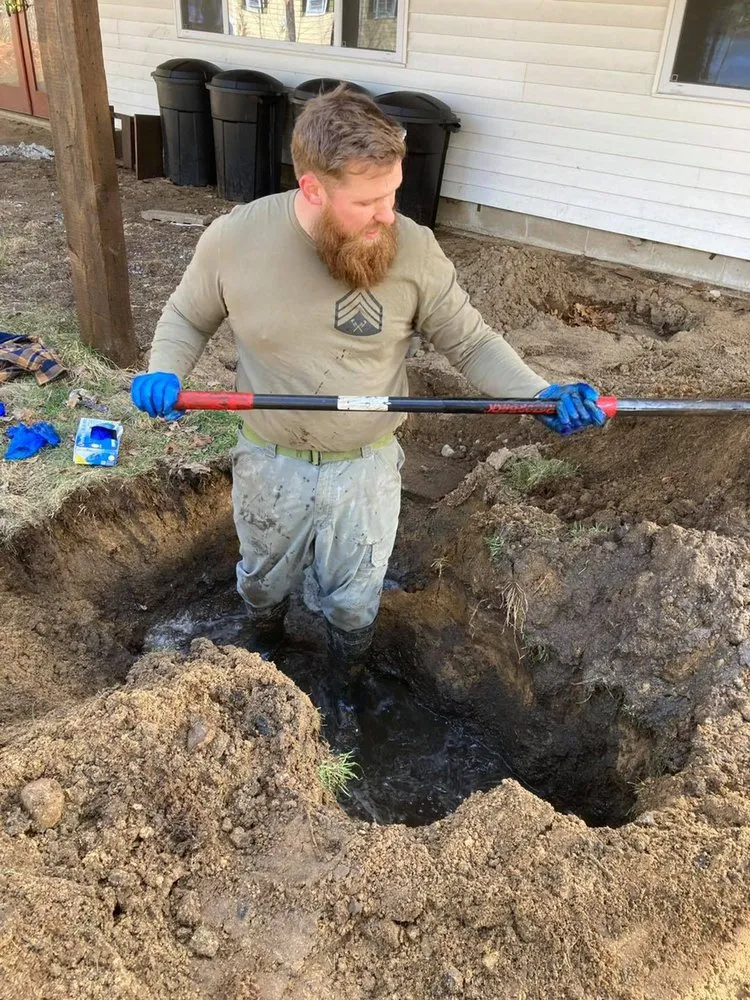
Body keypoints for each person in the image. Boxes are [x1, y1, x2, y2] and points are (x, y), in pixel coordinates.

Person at [131, 87, 606, 670]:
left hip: (365, 466)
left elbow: (472, 341)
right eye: (368, 201)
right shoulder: (236, 240)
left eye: (393, 194)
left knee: (354, 606)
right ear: (312, 188)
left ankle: (347, 679)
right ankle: (263, 654)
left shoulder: (414, 250)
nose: (388, 215)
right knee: (260, 583)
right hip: (268, 457)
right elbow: (185, 316)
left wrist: (537, 394)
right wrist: (164, 371)